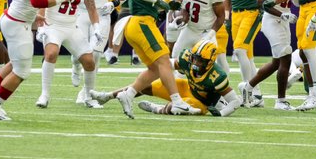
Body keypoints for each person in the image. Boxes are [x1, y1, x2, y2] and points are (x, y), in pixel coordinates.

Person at [89, 0, 194, 117]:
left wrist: (162, 1)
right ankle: (177, 101)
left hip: (138, 23)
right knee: (164, 63)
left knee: (155, 68)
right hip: (142, 22)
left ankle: (128, 94)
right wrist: (158, 0)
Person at [101, 40, 240, 117]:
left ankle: (157, 109)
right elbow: (166, 66)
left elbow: (235, 101)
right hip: (187, 87)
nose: (195, 63)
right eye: (194, 58)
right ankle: (107, 96)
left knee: (177, 108)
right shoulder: (187, 59)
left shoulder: (217, 76)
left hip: (201, 103)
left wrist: (221, 114)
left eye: (200, 61)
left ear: (210, 62)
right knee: (146, 86)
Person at [36, 0, 101, 108]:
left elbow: (91, 7)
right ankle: (44, 95)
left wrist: (97, 27)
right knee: (51, 54)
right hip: (53, 24)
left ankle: (88, 96)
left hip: (72, 26)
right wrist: (41, 25)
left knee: (89, 61)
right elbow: (44, 0)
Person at [214, 0, 270, 106]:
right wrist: (228, 13)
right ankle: (257, 95)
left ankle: (248, 89)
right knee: (248, 55)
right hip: (236, 13)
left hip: (252, 12)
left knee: (239, 50)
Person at [243, 0, 296, 110]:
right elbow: (261, 3)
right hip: (272, 19)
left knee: (276, 63)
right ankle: (280, 101)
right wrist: (282, 14)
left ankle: (248, 87)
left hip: (284, 19)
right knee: (286, 57)